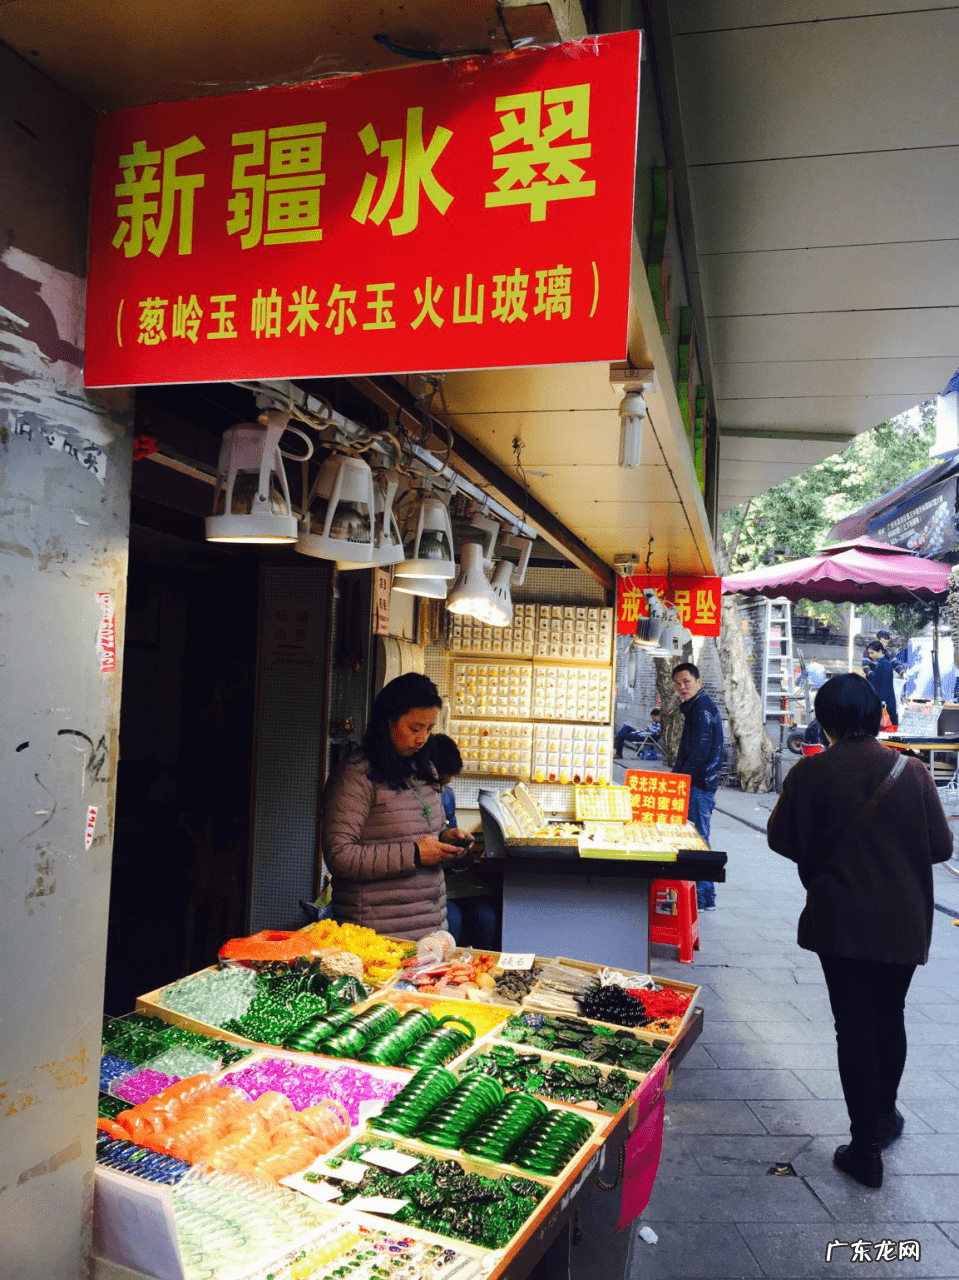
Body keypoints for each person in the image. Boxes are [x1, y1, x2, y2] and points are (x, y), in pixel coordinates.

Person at [767, 673, 952, 1189]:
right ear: (875, 716)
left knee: (854, 1027)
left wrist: (825, 854)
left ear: (825, 720)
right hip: (903, 923)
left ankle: (865, 1147)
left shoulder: (810, 774)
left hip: (840, 922)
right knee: (889, 1017)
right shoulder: (911, 771)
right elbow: (941, 847)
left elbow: (779, 838)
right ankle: (885, 1116)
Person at [321, 673, 470, 940]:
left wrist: (446, 840)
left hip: (430, 930)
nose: (423, 738)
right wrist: (414, 854)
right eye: (414, 729)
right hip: (375, 934)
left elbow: (423, 838)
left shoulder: (424, 770)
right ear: (388, 722)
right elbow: (340, 856)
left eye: (428, 729)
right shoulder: (356, 775)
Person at [429, 733, 499, 951]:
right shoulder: (411, 799)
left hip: (453, 882)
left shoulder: (447, 796)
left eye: (446, 784)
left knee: (486, 917)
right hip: (430, 885)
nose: (441, 790)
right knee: (454, 919)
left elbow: (449, 834)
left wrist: (461, 844)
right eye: (438, 783)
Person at [671, 663, 723, 911]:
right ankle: (705, 897)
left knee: (698, 840)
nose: (682, 687)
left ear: (698, 683)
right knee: (699, 838)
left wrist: (678, 782)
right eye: (677, 684)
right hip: (698, 784)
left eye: (686, 682)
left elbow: (699, 753)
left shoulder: (701, 709)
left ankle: (702, 898)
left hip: (698, 786)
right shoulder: (696, 707)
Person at [865, 641, 898, 728]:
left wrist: (880, 700)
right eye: (869, 653)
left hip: (883, 701)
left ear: (880, 651)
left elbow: (885, 685)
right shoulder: (881, 662)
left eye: (872, 653)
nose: (870, 655)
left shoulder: (884, 664)